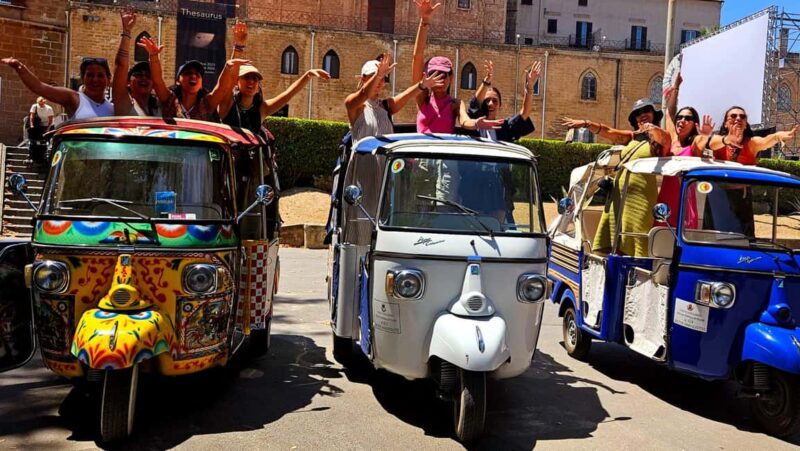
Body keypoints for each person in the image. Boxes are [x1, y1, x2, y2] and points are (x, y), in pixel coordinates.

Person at [579, 100, 671, 257]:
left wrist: (651, 128)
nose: (642, 115)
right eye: (638, 113)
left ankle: (638, 270)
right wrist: (586, 124)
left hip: (641, 198)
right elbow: (608, 131)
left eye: (646, 110)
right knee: (614, 240)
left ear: (654, 114)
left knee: (638, 236)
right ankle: (615, 270)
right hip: (618, 197)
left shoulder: (658, 140)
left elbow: (665, 138)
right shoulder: (633, 138)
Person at [218, 21, 330, 139]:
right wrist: (238, 47)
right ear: (237, 82)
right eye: (246, 77)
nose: (251, 81)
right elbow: (230, 76)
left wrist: (308, 75)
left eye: (255, 79)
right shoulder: (227, 104)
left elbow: (288, 94)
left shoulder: (262, 110)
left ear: (258, 87)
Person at [137, 36, 246, 121]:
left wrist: (227, 68)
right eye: (188, 73)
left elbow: (221, 88)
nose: (193, 76)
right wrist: (153, 56)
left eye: (197, 75)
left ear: (201, 84)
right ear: (178, 81)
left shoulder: (207, 104)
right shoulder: (169, 100)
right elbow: (157, 81)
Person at [345, 53, 443, 142]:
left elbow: (406, 95)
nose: (379, 81)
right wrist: (378, 75)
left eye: (383, 78)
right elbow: (364, 93)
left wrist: (422, 85)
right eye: (372, 76)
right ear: (363, 78)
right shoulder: (352, 103)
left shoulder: (386, 106)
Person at [2, 56, 113, 120]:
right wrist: (19, 67)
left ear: (108, 79)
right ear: (83, 79)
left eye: (100, 75)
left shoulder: (113, 109)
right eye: (90, 75)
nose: (95, 79)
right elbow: (39, 87)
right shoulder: (74, 99)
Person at [701, 106, 799, 165]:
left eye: (742, 116)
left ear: (745, 124)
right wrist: (727, 140)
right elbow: (712, 144)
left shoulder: (751, 143)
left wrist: (778, 136)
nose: (738, 118)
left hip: (743, 192)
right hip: (718, 190)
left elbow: (766, 141)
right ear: (725, 124)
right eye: (733, 116)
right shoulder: (719, 140)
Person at [112, 10, 160, 117]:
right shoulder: (124, 103)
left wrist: (154, 56)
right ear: (128, 82)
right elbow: (120, 65)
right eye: (138, 74)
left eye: (148, 76)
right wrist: (126, 32)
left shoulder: (159, 107)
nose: (144, 78)